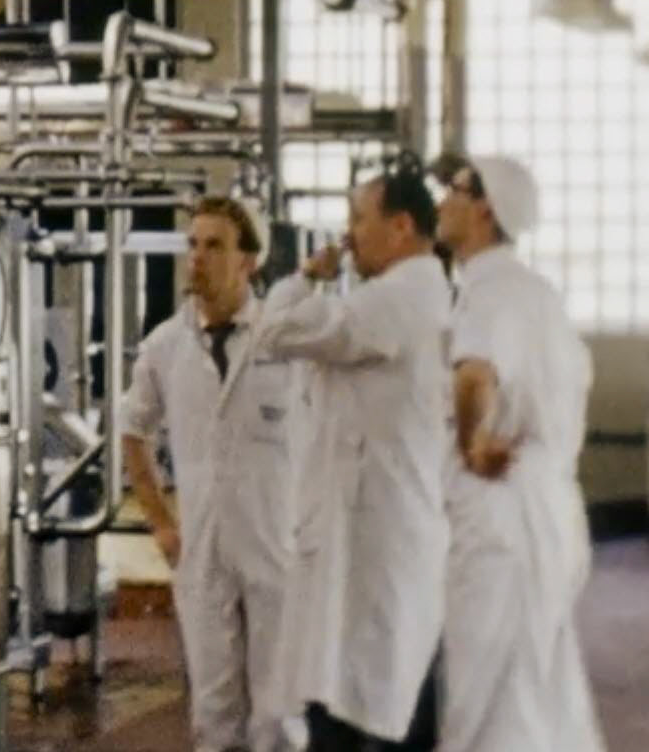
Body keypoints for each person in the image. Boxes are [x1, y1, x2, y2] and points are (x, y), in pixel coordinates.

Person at [254, 166, 453, 751]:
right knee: (355, 689)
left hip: (378, 535)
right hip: (367, 529)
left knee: (373, 700)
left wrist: (302, 280)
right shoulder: (402, 295)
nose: (346, 238)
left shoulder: (396, 300)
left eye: (357, 221)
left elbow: (276, 333)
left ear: (400, 226)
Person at [434, 155, 603, 752]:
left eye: (452, 190)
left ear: (486, 208)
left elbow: (474, 376)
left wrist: (470, 444)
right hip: (547, 507)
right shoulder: (534, 291)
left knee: (486, 701)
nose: (441, 200)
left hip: (502, 508)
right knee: (538, 688)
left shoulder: (493, 287)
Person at [123, 197, 303, 751]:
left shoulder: (288, 338)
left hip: (278, 542)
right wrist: (161, 522)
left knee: (280, 715)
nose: (196, 258)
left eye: (214, 246)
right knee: (214, 714)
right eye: (192, 245)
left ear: (248, 261)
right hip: (202, 549)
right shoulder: (165, 346)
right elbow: (133, 431)